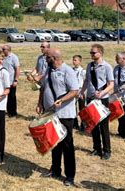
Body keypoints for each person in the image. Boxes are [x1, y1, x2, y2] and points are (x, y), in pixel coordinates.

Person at [37, 49, 79, 186]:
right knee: (54, 143)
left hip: (65, 114)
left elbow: (74, 91)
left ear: (54, 58)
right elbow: (43, 87)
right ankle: (55, 170)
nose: (45, 59)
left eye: (47, 57)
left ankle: (70, 176)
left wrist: (62, 100)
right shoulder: (48, 70)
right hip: (51, 113)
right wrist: (40, 103)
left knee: (67, 145)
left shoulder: (68, 71)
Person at [80, 44, 114, 160]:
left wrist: (102, 93)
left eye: (93, 53)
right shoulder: (89, 66)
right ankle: (96, 148)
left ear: (100, 53)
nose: (91, 54)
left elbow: (111, 84)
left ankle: (107, 150)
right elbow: (87, 80)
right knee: (92, 124)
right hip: (90, 98)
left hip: (102, 99)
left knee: (103, 126)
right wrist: (82, 91)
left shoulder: (107, 67)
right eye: (91, 52)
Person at [2, 45, 20, 117]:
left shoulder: (13, 57)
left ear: (8, 50)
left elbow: (17, 69)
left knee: (12, 97)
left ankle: (13, 113)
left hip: (11, 81)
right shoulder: (2, 57)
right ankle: (7, 111)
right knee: (5, 97)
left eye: (3, 49)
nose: (2, 50)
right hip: (3, 81)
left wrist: (16, 80)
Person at [72, 55, 86, 131]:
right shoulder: (71, 70)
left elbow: (85, 82)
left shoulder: (83, 71)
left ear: (80, 61)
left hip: (81, 91)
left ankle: (83, 124)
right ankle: (75, 124)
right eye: (73, 60)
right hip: (73, 91)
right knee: (73, 108)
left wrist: (82, 91)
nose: (74, 62)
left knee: (82, 108)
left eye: (75, 60)